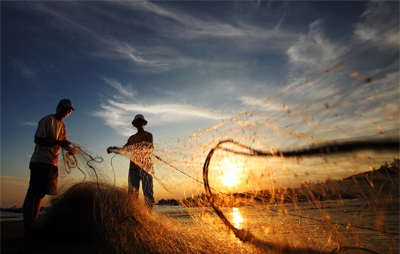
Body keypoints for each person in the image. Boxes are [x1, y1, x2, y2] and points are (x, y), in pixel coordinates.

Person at [23, 99, 77, 237]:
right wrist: (59, 142)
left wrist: (70, 149)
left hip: (52, 163)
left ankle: (33, 224)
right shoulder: (47, 120)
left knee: (41, 193)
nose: (67, 111)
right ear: (58, 108)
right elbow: (38, 139)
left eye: (70, 110)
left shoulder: (62, 125)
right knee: (33, 192)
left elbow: (62, 143)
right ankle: (28, 227)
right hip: (40, 161)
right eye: (65, 109)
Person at [107, 114, 155, 209]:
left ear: (144, 123)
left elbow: (150, 148)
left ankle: (149, 216)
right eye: (137, 121)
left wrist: (135, 147)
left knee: (148, 194)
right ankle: (135, 215)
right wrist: (113, 149)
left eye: (141, 121)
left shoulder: (148, 135)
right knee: (132, 194)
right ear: (134, 124)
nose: (139, 123)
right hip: (133, 169)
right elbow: (124, 150)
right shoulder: (131, 138)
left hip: (146, 167)